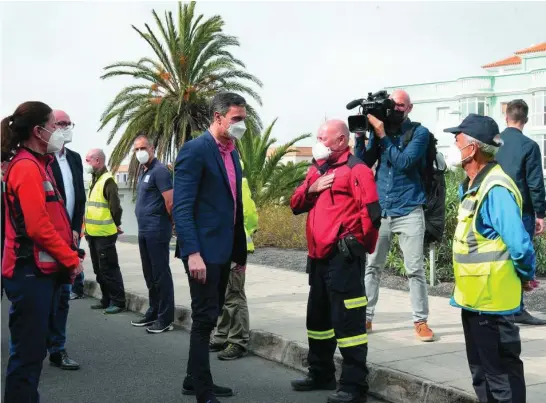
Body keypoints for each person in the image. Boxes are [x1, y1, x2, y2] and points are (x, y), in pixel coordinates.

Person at [444, 114, 535, 403]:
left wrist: (526, 275)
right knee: (482, 374)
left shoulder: (495, 188)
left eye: (457, 139)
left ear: (473, 148)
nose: (454, 144)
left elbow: (520, 245)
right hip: (474, 300)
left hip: (492, 304)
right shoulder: (472, 186)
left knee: (500, 378)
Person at [290, 120, 380, 403]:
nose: (318, 141)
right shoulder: (316, 169)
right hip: (317, 260)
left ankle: (354, 387)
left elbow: (372, 214)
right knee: (317, 321)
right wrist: (313, 188)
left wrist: (357, 246)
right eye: (317, 136)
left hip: (343, 260)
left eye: (323, 137)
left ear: (341, 140)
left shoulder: (357, 170)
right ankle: (320, 373)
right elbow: (295, 204)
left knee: (349, 326)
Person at [1, 102, 84, 403]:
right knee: (27, 355)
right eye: (54, 125)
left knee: (33, 352)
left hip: (39, 273)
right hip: (29, 274)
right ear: (38, 131)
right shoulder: (26, 167)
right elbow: (38, 227)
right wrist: (70, 258)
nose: (59, 131)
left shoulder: (39, 165)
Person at [174, 92, 248, 403]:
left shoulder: (232, 153)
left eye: (243, 119)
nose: (241, 125)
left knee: (213, 314)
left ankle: (194, 379)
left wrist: (239, 254)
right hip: (201, 253)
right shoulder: (195, 151)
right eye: (236, 119)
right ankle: (203, 392)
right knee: (205, 319)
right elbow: (182, 206)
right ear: (217, 118)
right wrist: (192, 253)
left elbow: (236, 206)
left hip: (224, 250)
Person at [354, 89, 435, 342]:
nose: (396, 108)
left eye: (401, 105)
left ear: (409, 108)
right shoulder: (380, 132)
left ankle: (420, 321)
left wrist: (381, 135)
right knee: (372, 267)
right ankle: (365, 318)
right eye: (393, 104)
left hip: (409, 207)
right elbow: (362, 163)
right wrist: (361, 137)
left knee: (415, 270)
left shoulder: (419, 133)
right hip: (382, 209)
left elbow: (404, 162)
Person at [495, 99, 546, 326]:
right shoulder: (529, 146)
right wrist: (541, 214)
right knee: (519, 257)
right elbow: (535, 183)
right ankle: (516, 309)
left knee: (496, 257)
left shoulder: (493, 142)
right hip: (521, 211)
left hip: (493, 210)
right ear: (525, 120)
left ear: (506, 117)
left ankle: (497, 307)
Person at [44, 109, 86, 371]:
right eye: (60, 124)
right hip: (46, 239)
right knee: (41, 297)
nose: (65, 128)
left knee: (63, 295)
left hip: (71, 237)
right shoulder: (41, 161)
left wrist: (75, 228)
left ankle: (58, 349)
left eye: (68, 123)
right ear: (48, 127)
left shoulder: (74, 158)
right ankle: (33, 347)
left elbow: (79, 196)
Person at [209, 159, 258, 360]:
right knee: (224, 295)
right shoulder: (216, 187)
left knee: (235, 296)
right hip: (221, 248)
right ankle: (221, 336)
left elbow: (250, 217)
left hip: (236, 249)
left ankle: (238, 341)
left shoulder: (240, 184)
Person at [130, 135, 175, 334]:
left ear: (152, 148)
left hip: (156, 230)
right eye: (136, 149)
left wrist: (172, 224)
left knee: (160, 274)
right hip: (144, 230)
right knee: (149, 274)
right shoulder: (144, 171)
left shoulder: (160, 171)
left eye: (143, 147)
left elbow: (170, 202)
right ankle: (154, 310)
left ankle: (165, 318)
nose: (140, 152)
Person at [84, 148, 126, 314]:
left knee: (109, 268)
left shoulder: (108, 181)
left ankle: (118, 301)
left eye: (88, 160)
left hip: (105, 235)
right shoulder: (94, 180)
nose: (86, 163)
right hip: (93, 234)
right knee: (98, 269)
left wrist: (116, 223)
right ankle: (106, 299)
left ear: (98, 161)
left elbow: (115, 207)